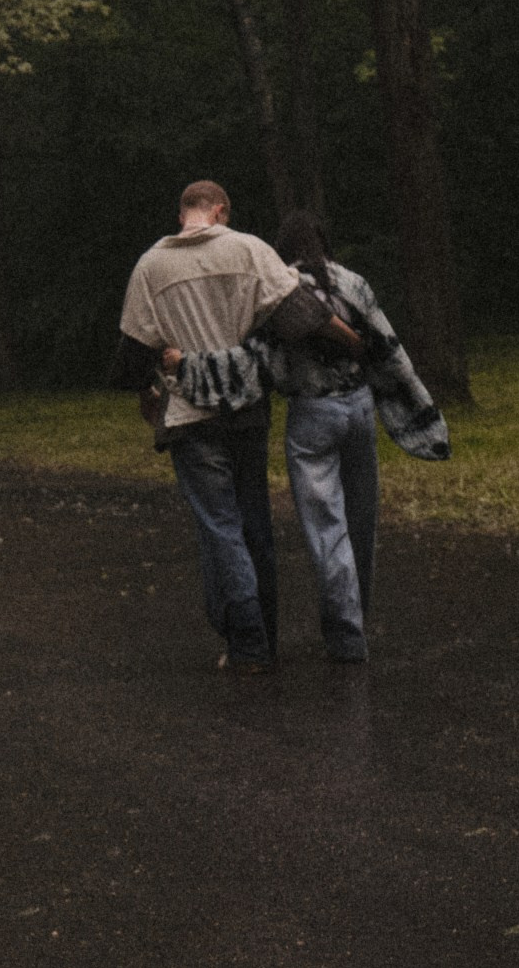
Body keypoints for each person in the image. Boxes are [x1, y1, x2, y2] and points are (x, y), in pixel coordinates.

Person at [167, 209, 449, 664]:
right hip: (358, 409)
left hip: (311, 417)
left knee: (327, 530)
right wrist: (421, 420)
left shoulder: (278, 291)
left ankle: (346, 635)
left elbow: (251, 365)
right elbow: (390, 351)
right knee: (361, 524)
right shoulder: (353, 284)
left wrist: (186, 367)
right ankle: (356, 623)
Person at [110, 180, 361, 673]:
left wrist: (146, 392)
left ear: (184, 213)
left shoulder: (150, 266)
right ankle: (263, 635)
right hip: (246, 410)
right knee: (255, 524)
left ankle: (246, 643)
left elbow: (133, 354)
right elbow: (304, 317)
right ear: (220, 211)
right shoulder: (250, 250)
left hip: (189, 420)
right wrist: (355, 341)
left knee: (220, 528)